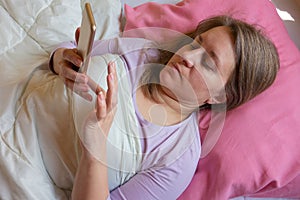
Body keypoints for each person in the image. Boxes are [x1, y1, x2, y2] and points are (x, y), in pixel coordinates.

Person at [49, 15, 279, 200]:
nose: (188, 56)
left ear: (221, 95)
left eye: (208, 62)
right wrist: (60, 60)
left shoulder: (177, 158)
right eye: (197, 42)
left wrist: (95, 150)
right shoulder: (143, 52)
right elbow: (68, 50)